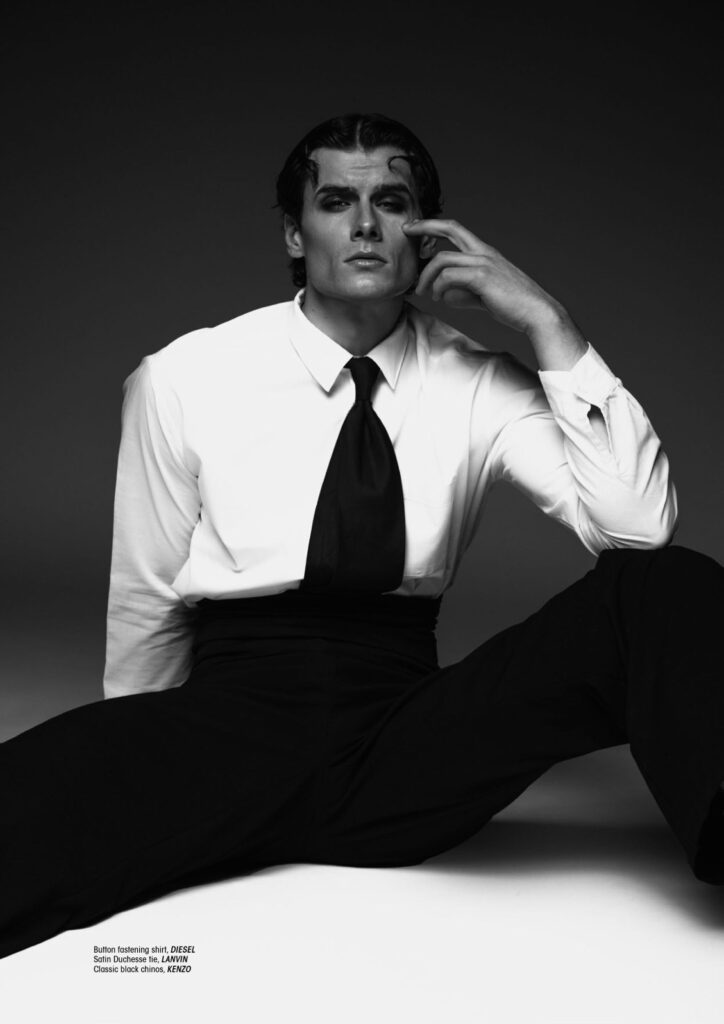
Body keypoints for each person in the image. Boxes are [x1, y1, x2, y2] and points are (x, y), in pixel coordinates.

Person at [2, 112, 723, 961]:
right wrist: (136, 757)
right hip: (236, 721)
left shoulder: (479, 380)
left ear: (427, 231)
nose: (367, 225)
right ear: (294, 233)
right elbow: (148, 587)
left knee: (661, 587)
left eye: (393, 201)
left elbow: (638, 527)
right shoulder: (186, 376)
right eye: (337, 201)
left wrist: (547, 321)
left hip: (405, 741)